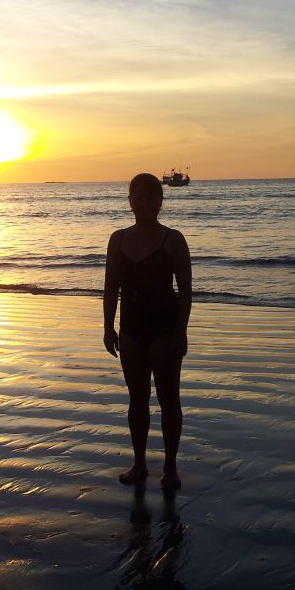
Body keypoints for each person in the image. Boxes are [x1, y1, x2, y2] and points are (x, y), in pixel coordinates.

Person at [104, 173, 192, 490]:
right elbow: (110, 287)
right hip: (130, 330)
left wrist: (181, 331)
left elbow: (185, 291)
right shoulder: (118, 239)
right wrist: (107, 326)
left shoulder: (173, 239)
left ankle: (170, 468)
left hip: (164, 329)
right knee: (137, 399)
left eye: (149, 197)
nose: (143, 203)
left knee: (169, 399)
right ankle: (139, 463)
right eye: (136, 197)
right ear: (130, 201)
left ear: (160, 201)